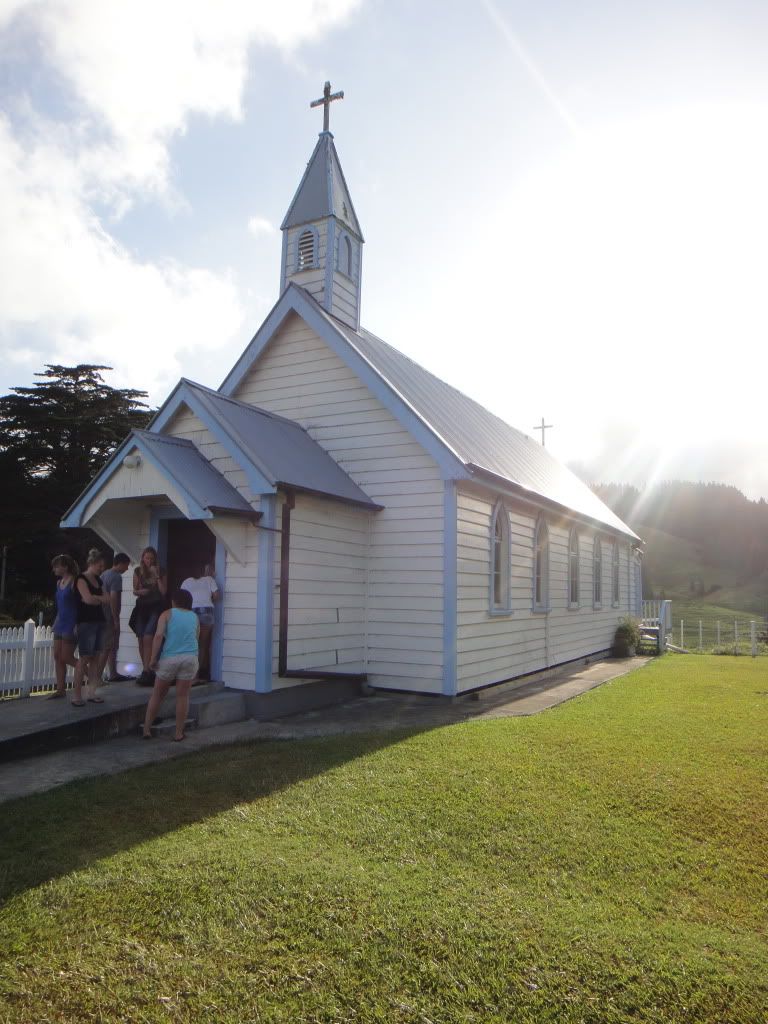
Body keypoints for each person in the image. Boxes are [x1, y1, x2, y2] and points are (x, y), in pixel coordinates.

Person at [142, 588, 200, 741]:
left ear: (174, 601)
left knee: (158, 694)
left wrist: (153, 659)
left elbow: (159, 635)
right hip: (190, 657)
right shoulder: (194, 616)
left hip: (170, 658)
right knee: (183, 696)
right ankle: (179, 733)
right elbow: (196, 636)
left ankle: (147, 730)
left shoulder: (167, 614)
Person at [72, 549, 110, 706]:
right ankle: (76, 695)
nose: (102, 569)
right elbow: (87, 600)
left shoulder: (99, 581)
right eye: (100, 566)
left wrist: (96, 598)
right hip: (86, 622)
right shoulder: (81, 579)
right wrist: (96, 599)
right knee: (84, 658)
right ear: (92, 563)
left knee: (95, 658)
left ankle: (92, 693)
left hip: (99, 621)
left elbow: (107, 599)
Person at [131, 546, 166, 684]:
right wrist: (141, 592)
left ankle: (149, 670)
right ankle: (146, 670)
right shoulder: (138, 571)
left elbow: (163, 591)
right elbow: (135, 590)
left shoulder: (161, 571)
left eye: (151, 558)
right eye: (147, 558)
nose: (149, 561)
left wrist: (157, 576)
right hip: (142, 606)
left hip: (156, 607)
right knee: (140, 638)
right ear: (142, 558)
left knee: (148, 637)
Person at [180, 562, 220, 680]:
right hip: (207, 611)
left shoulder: (186, 581)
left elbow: (182, 598)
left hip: (191, 612)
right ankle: (198, 673)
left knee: (192, 643)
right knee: (203, 644)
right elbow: (217, 596)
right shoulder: (209, 579)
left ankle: (191, 674)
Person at [48, 554, 80, 699]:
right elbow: (60, 605)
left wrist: (77, 624)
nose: (54, 569)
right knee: (57, 656)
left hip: (71, 623)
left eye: (57, 566)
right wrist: (55, 621)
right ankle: (60, 689)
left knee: (66, 657)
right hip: (60, 622)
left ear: (65, 567)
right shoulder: (59, 582)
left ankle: (93, 677)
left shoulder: (75, 582)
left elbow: (80, 605)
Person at [98, 552, 132, 682]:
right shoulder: (116, 577)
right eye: (126, 566)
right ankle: (97, 677)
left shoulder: (104, 574)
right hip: (109, 616)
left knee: (112, 646)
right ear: (121, 563)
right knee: (107, 647)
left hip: (101, 614)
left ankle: (113, 673)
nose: (127, 569)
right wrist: (115, 618)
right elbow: (113, 598)